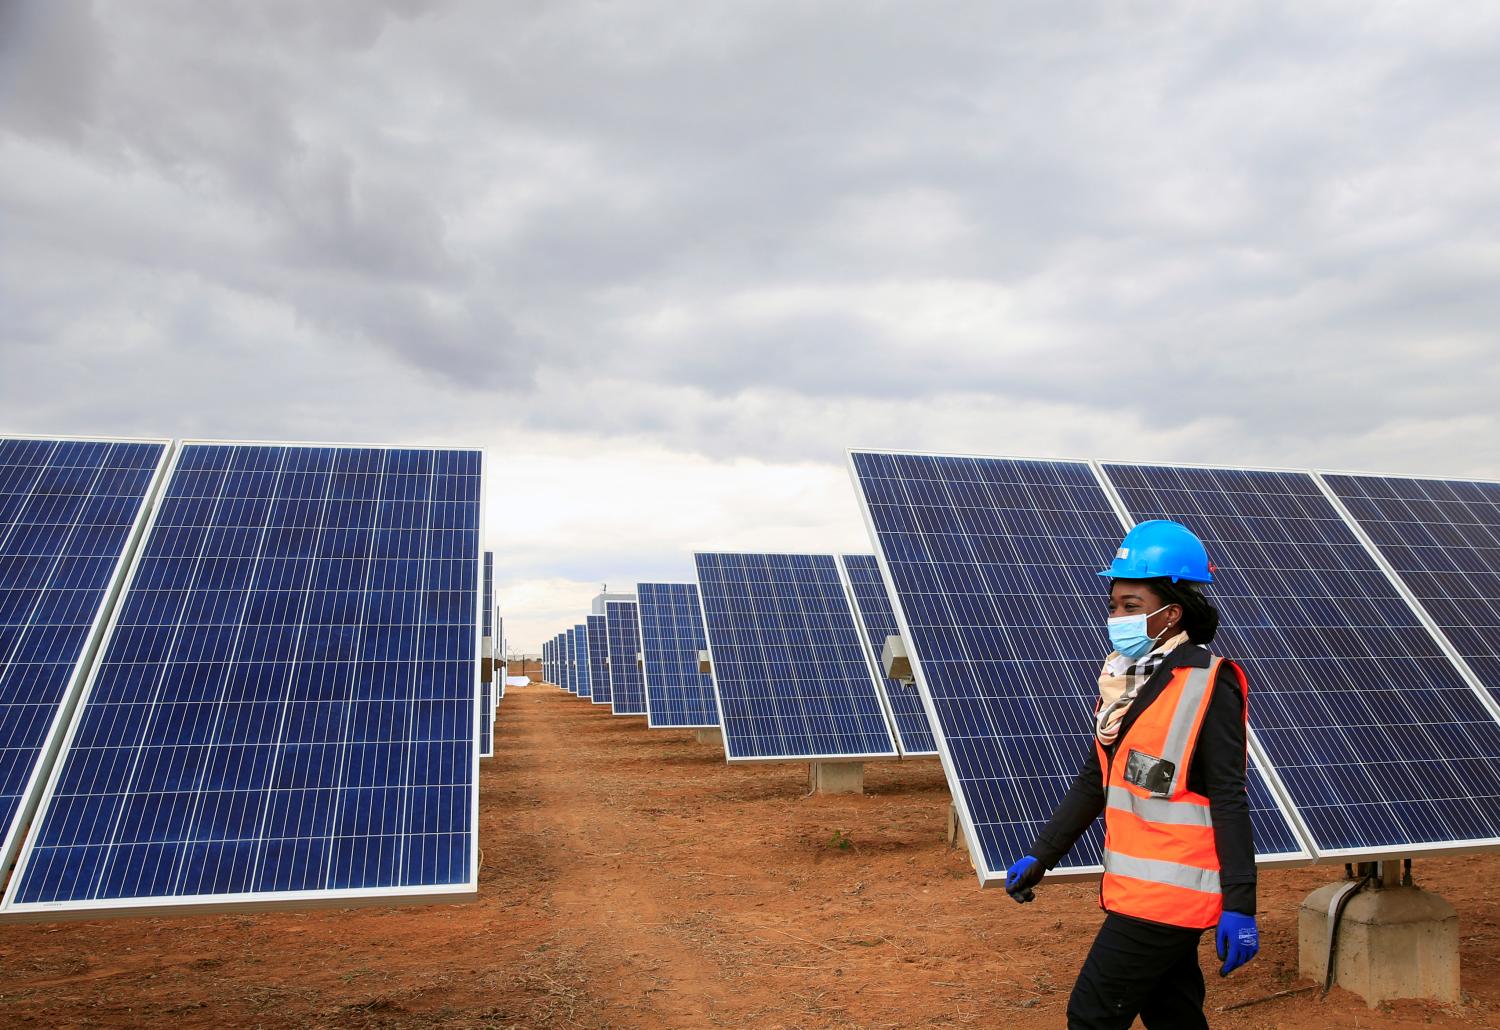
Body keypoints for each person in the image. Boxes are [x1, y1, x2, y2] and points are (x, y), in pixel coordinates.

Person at [1003, 519, 1258, 1030]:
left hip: (1169, 894)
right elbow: (1096, 781)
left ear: (1171, 614)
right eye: (1114, 605)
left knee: (1092, 1015)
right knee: (1173, 1014)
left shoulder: (1210, 684)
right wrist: (1042, 855)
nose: (1116, 617)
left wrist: (1241, 904)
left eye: (1131, 606)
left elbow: (1229, 798)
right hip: (1137, 888)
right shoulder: (1121, 684)